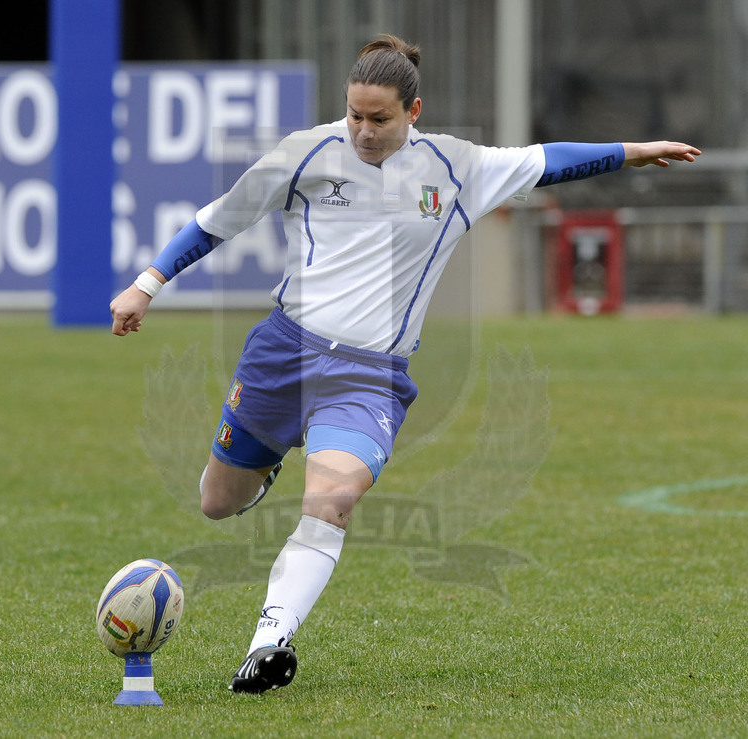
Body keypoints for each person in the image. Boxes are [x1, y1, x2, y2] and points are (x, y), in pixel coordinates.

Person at [110, 34, 700, 693]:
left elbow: (548, 161)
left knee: (331, 500)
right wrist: (147, 283)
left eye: (379, 118)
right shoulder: (303, 154)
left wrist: (634, 152)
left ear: (413, 110)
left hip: (369, 376)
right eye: (354, 115)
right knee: (217, 502)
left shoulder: (456, 169)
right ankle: (270, 456)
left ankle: (268, 643)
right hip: (282, 354)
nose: (362, 130)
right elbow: (216, 222)